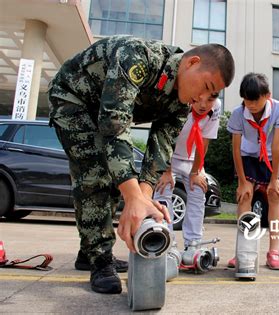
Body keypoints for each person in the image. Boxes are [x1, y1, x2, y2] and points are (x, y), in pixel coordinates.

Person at [48, 35, 235, 294]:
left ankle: (88, 251)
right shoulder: (138, 57)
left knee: (122, 179)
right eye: (205, 86)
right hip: (74, 100)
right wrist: (132, 195)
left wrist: (144, 198)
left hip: (104, 112)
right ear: (192, 63)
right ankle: (99, 259)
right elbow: (115, 123)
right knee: (96, 175)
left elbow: (161, 148)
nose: (203, 99)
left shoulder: (182, 103)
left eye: (211, 95)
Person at [226, 72, 279, 274]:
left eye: (255, 100)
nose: (251, 105)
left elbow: (276, 144)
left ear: (267, 95)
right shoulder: (238, 113)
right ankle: (243, 251)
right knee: (245, 196)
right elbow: (236, 149)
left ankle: (274, 252)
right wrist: (242, 182)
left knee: (274, 196)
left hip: (273, 155)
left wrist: (274, 180)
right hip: (247, 154)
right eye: (246, 100)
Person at [153, 98, 221, 248]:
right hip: (168, 156)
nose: (203, 105)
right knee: (163, 188)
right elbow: (163, 136)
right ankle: (166, 242)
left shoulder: (216, 106)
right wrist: (166, 170)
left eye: (209, 100)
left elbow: (205, 141)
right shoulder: (178, 101)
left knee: (198, 190)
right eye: (198, 100)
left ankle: (193, 244)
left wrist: (195, 172)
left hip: (192, 158)